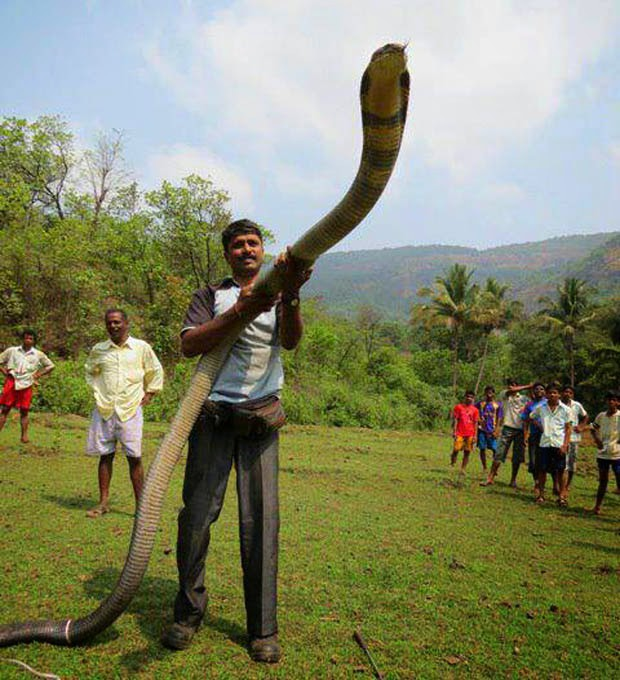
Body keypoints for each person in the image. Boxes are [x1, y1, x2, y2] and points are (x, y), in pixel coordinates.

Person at [161, 219, 312, 663]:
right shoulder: (211, 296)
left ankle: (262, 631)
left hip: (260, 422)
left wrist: (293, 296)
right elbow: (190, 346)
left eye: (254, 243)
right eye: (238, 245)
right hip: (211, 419)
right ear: (227, 253)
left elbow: (291, 341)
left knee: (262, 526)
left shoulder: (281, 291)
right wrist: (240, 310)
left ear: (263, 250)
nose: (247, 250)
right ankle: (187, 615)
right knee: (195, 522)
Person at [84, 309, 164, 518]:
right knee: (105, 455)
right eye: (109, 323)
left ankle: (141, 507)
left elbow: (154, 370)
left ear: (127, 323)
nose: (113, 326)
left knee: (134, 458)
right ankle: (102, 503)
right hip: (105, 409)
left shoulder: (141, 348)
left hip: (130, 409)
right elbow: (89, 371)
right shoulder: (99, 349)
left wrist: (150, 393)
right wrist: (97, 391)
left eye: (117, 322)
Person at [0, 329, 55, 443]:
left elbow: (50, 366)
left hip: (27, 383)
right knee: (5, 409)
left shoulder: (38, 354)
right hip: (12, 381)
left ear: (34, 341)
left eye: (30, 338)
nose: (28, 340)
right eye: (26, 338)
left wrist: (38, 375)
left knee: (24, 410)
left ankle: (24, 436)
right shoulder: (12, 351)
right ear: (22, 339)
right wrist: (4, 372)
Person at [480, 379, 532, 487]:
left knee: (517, 457)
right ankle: (490, 478)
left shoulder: (524, 398)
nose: (512, 387)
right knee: (499, 454)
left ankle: (513, 480)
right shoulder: (504, 395)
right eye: (510, 385)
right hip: (507, 428)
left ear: (518, 386)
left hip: (520, 430)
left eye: (514, 385)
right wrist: (529, 386)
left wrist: (527, 433)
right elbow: (510, 391)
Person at [529, 382, 572, 506]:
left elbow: (568, 428)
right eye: (550, 393)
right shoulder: (541, 408)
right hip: (545, 443)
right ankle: (541, 495)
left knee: (560, 470)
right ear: (546, 395)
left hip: (559, 444)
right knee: (542, 470)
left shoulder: (566, 409)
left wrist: (565, 445)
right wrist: (541, 427)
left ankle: (562, 496)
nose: (552, 395)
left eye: (555, 393)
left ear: (559, 395)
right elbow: (531, 417)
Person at [590, 390, 620, 515]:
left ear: (618, 403)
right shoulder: (601, 416)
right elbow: (593, 428)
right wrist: (597, 440)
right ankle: (597, 506)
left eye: (613, 400)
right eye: (609, 400)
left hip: (617, 454)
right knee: (603, 481)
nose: (611, 402)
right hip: (603, 453)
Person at [561, 385, 588, 491]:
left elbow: (585, 416)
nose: (567, 394)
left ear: (572, 395)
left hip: (574, 438)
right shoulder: (558, 404)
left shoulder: (577, 405)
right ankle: (559, 484)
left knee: (572, 463)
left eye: (570, 392)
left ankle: (568, 484)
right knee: (561, 463)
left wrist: (581, 426)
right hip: (561, 438)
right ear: (562, 393)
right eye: (566, 391)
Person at [521, 382, 547, 489]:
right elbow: (525, 420)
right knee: (533, 460)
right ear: (533, 391)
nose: (539, 391)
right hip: (534, 435)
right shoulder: (529, 405)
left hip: (547, 436)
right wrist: (525, 435)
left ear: (545, 392)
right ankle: (536, 481)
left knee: (546, 461)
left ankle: (554, 485)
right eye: (536, 389)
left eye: (541, 389)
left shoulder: (548, 403)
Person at [451, 390, 479, 472]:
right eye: (468, 396)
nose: (469, 398)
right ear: (465, 397)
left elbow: (475, 423)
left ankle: (463, 469)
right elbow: (456, 419)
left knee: (467, 451)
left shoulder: (475, 410)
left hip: (470, 433)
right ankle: (453, 461)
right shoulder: (458, 407)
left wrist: (475, 435)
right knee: (456, 449)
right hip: (460, 432)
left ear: (473, 399)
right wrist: (454, 431)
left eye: (471, 397)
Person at [475, 386, 502, 471]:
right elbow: (474, 411)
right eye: (487, 392)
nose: (488, 394)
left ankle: (494, 469)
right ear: (485, 393)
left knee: (495, 449)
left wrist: (497, 429)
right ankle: (485, 467)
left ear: (493, 393)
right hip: (482, 429)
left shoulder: (497, 405)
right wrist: (479, 419)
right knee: (482, 448)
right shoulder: (480, 403)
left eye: (490, 392)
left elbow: (499, 417)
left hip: (492, 430)